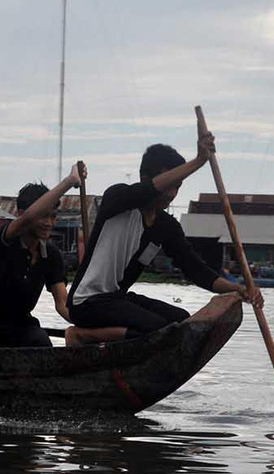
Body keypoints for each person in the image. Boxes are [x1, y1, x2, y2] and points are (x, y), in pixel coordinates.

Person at [65, 131, 263, 345]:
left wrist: (240, 289)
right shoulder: (118, 200)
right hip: (86, 303)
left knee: (181, 321)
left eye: (177, 187)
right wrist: (198, 161)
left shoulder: (166, 226)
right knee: (159, 330)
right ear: (144, 179)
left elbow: (197, 270)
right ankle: (80, 335)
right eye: (169, 184)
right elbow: (149, 190)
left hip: (116, 299)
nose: (171, 194)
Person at [0, 165, 87, 347]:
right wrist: (69, 182)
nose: (49, 223)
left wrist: (89, 323)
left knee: (41, 341)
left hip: (24, 327)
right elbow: (28, 218)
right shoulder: (3, 240)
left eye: (53, 217)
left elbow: (62, 303)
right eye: (43, 216)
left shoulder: (51, 254)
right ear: (20, 215)